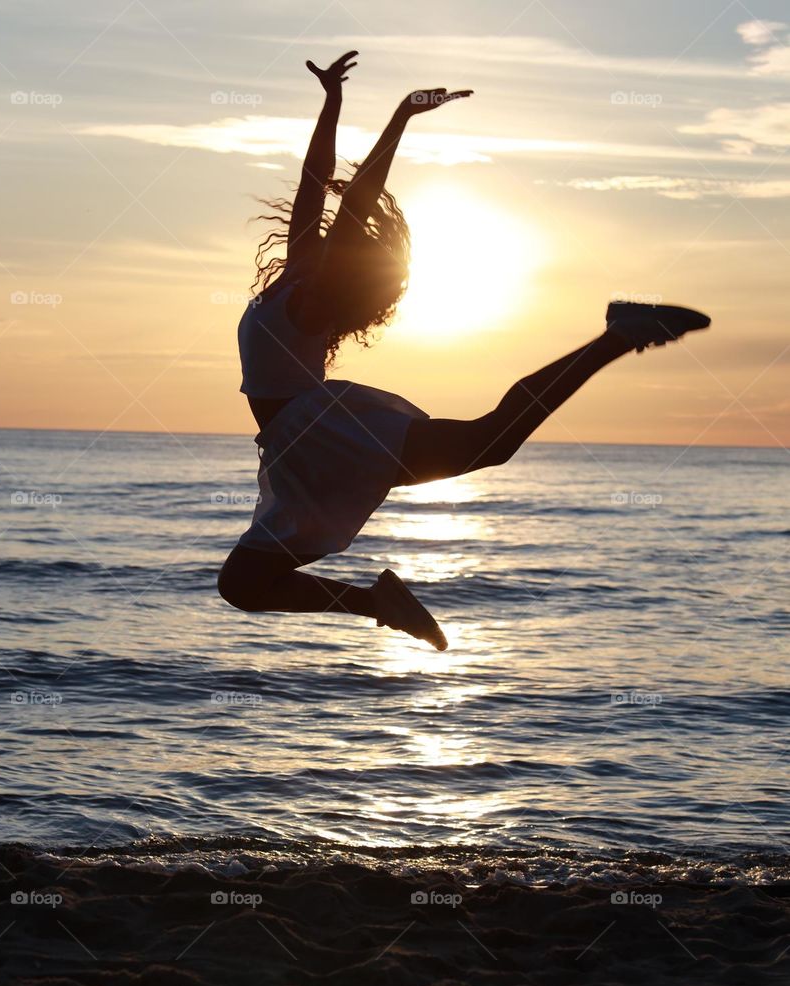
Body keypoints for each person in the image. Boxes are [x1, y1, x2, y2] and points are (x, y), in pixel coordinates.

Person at [218, 51, 710, 650]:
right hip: (301, 445)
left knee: (490, 442)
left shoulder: (309, 301)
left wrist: (401, 117)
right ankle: (378, 602)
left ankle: (618, 336)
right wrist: (334, 101)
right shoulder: (298, 277)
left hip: (319, 436)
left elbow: (353, 201)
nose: (322, 227)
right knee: (243, 585)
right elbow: (315, 179)